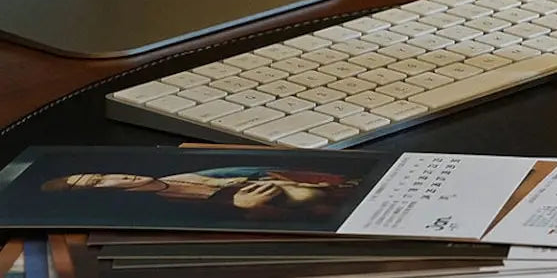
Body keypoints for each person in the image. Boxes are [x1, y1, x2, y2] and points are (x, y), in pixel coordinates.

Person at [40, 167, 358, 219]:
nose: (115, 176)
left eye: (102, 173)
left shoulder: (193, 174)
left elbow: (274, 169)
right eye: (99, 183)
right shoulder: (169, 209)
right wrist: (245, 209)